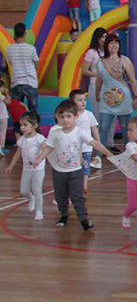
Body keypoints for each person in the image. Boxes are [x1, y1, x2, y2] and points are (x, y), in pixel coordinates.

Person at [35, 99, 113, 229]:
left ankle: (84, 220)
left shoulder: (79, 132)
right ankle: (63, 215)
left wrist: (107, 153)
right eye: (62, 116)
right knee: (60, 196)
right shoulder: (55, 133)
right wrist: (40, 158)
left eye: (68, 116)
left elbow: (94, 143)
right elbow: (49, 147)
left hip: (76, 170)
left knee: (77, 196)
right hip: (58, 171)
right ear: (57, 117)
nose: (65, 119)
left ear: (76, 116)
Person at [95, 33, 137, 153]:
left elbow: (133, 80)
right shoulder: (100, 62)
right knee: (103, 127)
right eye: (111, 42)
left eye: (117, 42)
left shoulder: (125, 61)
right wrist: (97, 93)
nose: (114, 45)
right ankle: (99, 156)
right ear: (106, 45)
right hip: (106, 100)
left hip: (124, 100)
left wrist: (136, 96)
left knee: (125, 128)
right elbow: (99, 79)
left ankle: (130, 154)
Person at [4, 112, 45, 220]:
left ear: (35, 125)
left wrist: (40, 158)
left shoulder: (39, 138)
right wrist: (11, 166)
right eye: (21, 125)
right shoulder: (21, 140)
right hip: (26, 169)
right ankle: (31, 199)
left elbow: (46, 149)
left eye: (25, 125)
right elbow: (18, 153)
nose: (22, 127)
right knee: (24, 191)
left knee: (37, 190)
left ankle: (39, 211)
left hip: (38, 169)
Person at [70, 88, 101, 193]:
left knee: (85, 168)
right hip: (74, 148)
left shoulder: (89, 114)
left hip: (87, 148)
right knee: (74, 168)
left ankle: (84, 186)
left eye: (84, 99)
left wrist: (98, 142)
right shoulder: (71, 116)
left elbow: (94, 128)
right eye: (80, 100)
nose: (83, 102)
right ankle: (74, 186)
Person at [6, 23, 39, 114]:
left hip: (16, 82)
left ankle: (18, 126)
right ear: (25, 34)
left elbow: (11, 63)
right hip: (30, 82)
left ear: (15, 34)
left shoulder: (9, 49)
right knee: (33, 110)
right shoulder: (31, 48)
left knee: (17, 109)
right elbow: (36, 65)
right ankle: (33, 126)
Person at [81, 27, 107, 120]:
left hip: (110, 85)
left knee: (111, 115)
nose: (103, 39)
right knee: (98, 114)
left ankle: (109, 135)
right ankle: (97, 134)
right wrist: (98, 74)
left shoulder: (110, 52)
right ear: (96, 38)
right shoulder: (91, 52)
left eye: (105, 37)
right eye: (101, 37)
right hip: (95, 85)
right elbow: (84, 70)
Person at [0, 80, 9, 155]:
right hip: (2, 117)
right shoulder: (1, 96)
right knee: (2, 132)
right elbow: (9, 102)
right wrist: (7, 94)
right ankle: (2, 148)